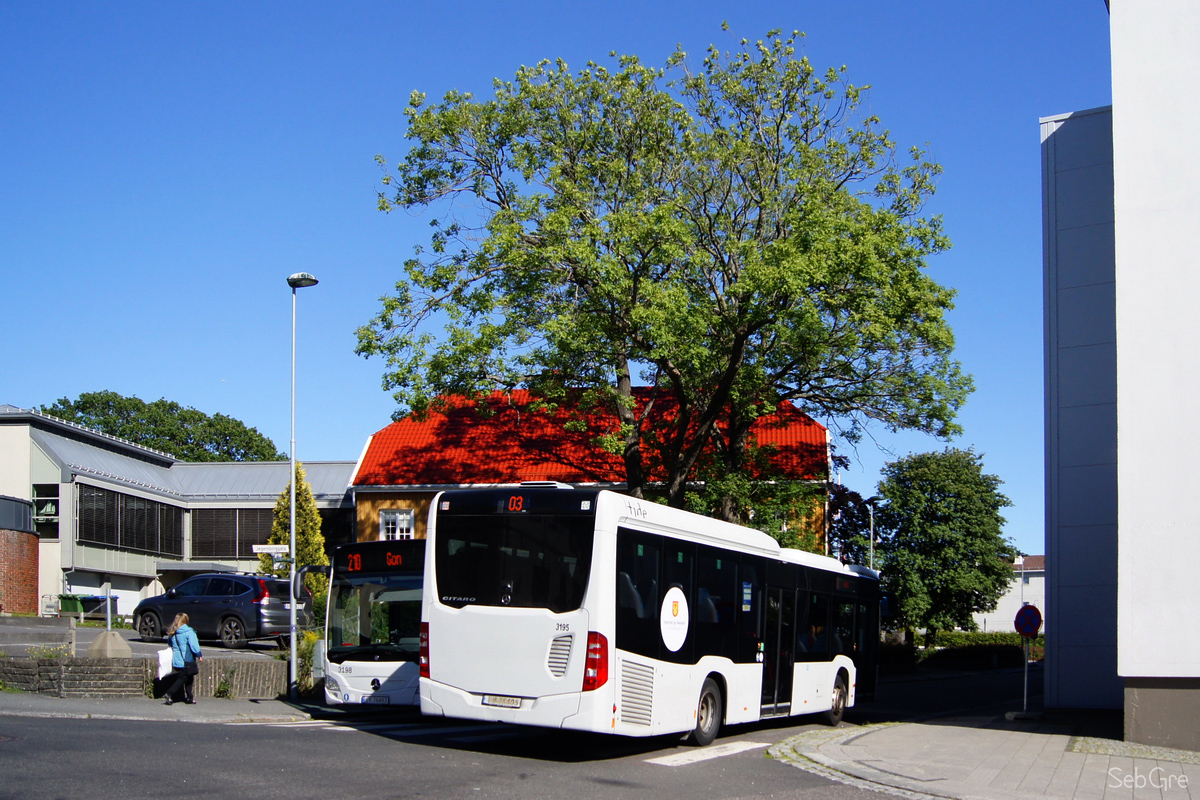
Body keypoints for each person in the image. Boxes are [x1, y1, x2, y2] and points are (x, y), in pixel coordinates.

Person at [164, 612, 203, 705]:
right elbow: (194, 645)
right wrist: (199, 655)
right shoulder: (189, 631)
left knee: (189, 677)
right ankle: (169, 694)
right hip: (187, 659)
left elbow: (170, 644)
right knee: (183, 678)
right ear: (186, 621)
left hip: (178, 659)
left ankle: (190, 697)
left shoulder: (173, 632)